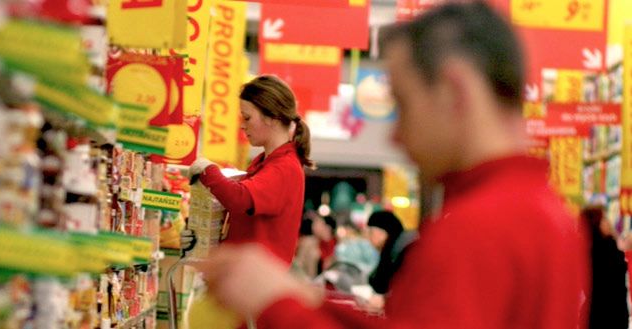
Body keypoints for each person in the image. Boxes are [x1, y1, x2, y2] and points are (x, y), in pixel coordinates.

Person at [199, 3, 588, 329]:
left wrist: (279, 305)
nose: (395, 137)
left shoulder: (478, 228)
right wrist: (304, 299)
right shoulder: (544, 214)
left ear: (455, 90)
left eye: (402, 104)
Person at [188, 75, 314, 264]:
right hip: (246, 279)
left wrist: (207, 170)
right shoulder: (267, 163)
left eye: (247, 117)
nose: (242, 125)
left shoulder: (284, 167)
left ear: (272, 117)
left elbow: (240, 199)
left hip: (257, 286)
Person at [582, 206, 629, 329]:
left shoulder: (590, 250)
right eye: (604, 219)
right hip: (609, 314)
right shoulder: (605, 251)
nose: (608, 222)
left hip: (598, 315)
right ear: (596, 224)